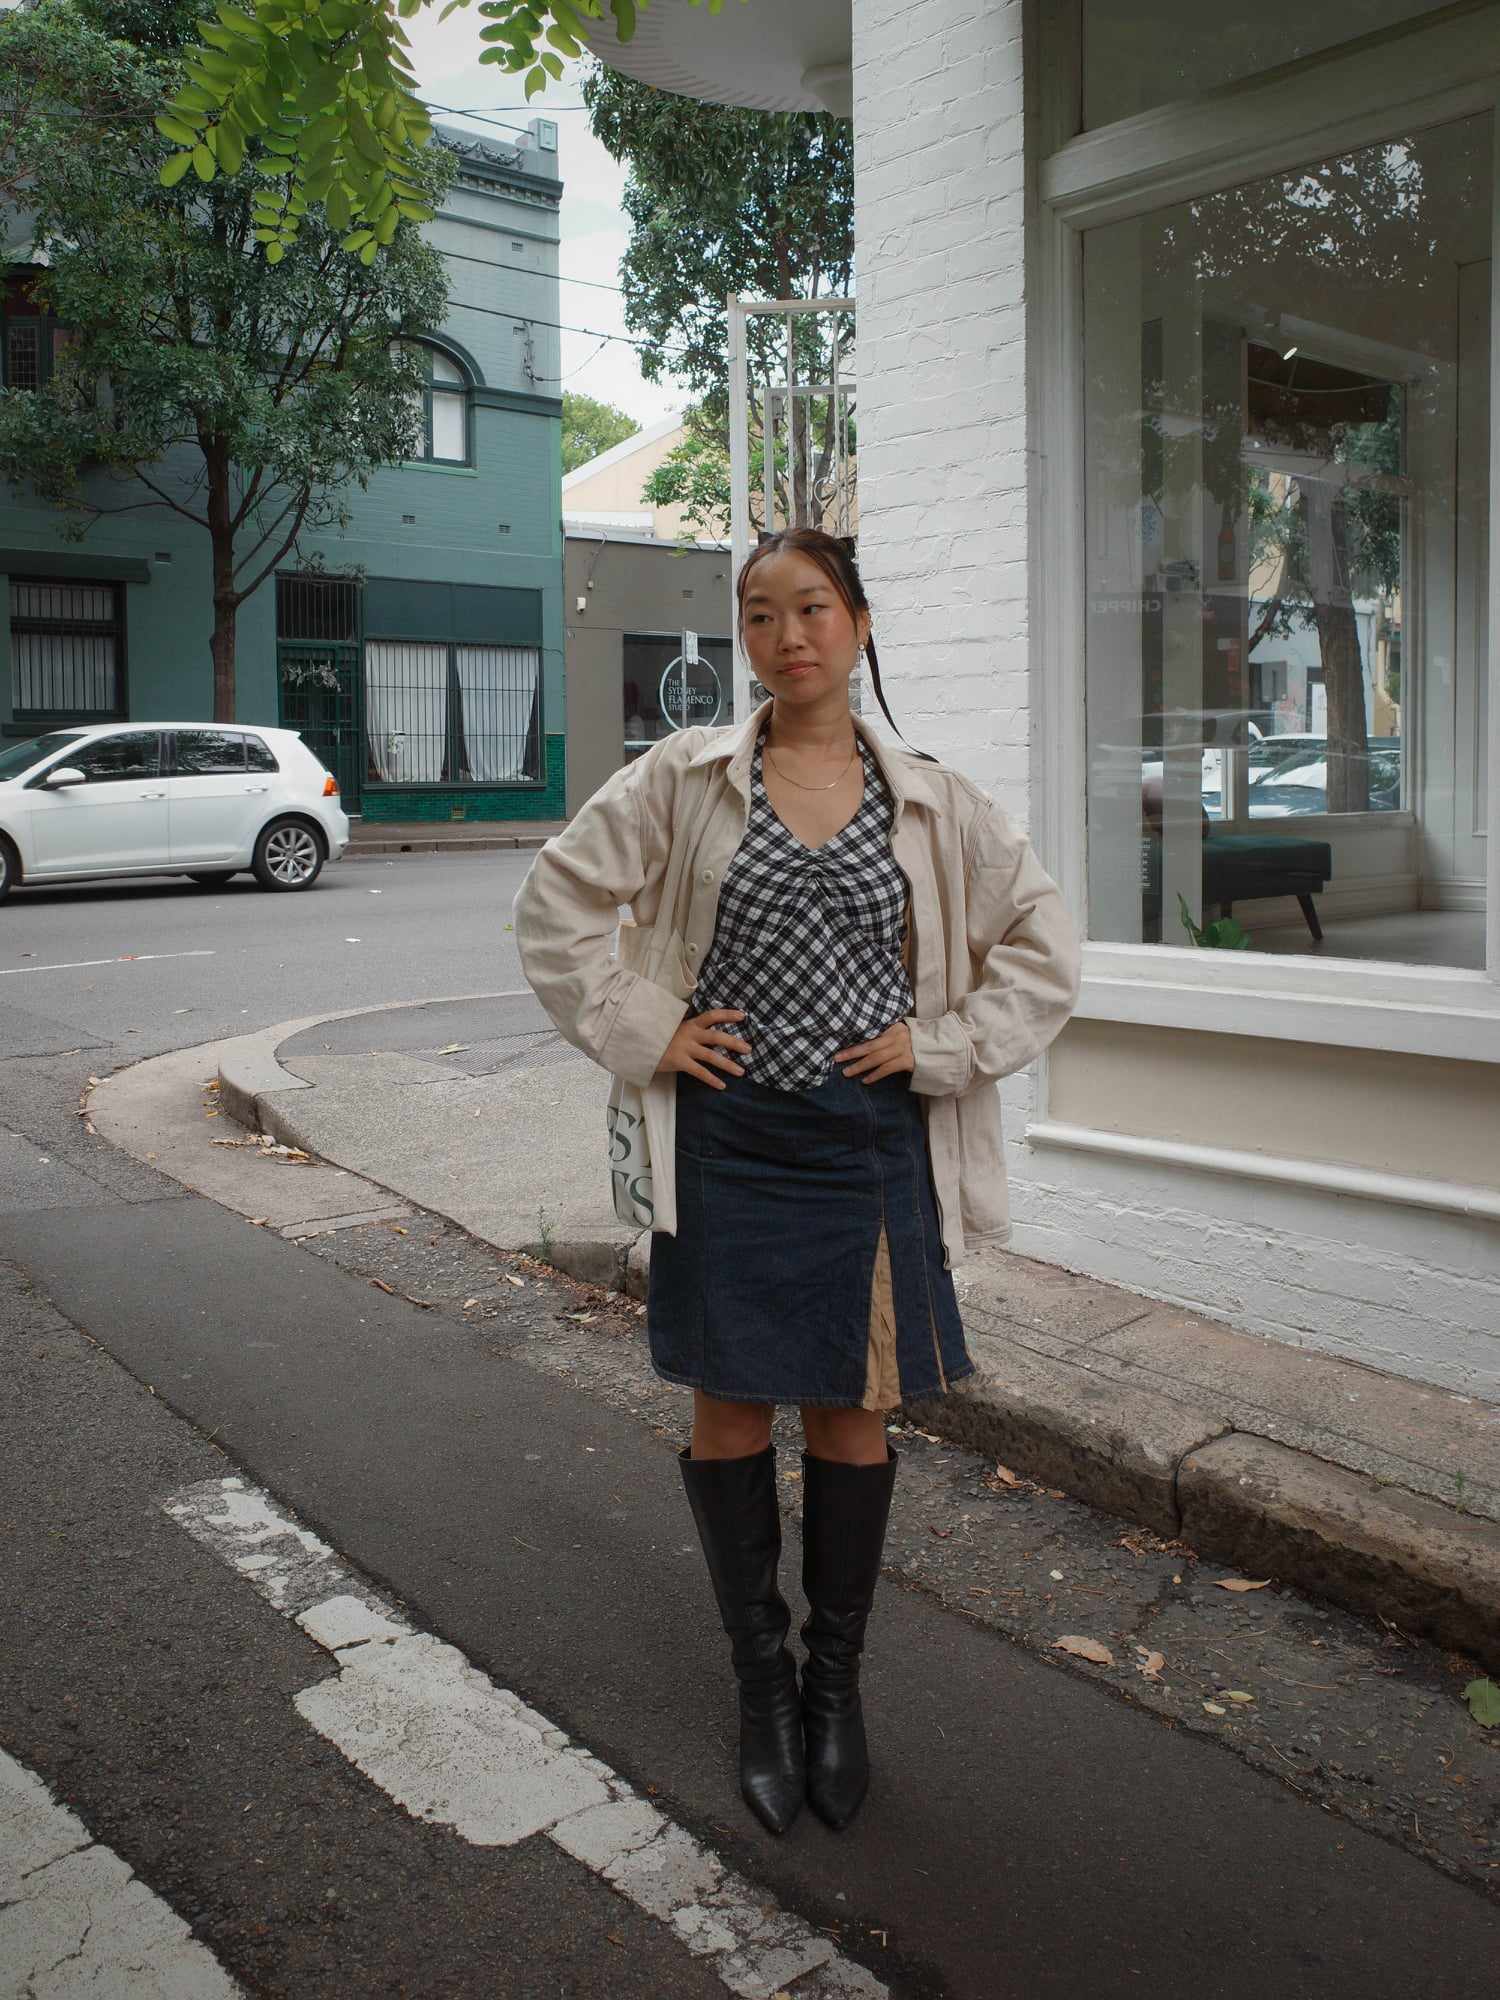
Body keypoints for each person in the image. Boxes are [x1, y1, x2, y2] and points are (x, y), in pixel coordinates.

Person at [514, 529, 1079, 1836]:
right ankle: (761, 1686)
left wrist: (943, 1047)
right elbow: (556, 908)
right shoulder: (684, 780)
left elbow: (1046, 953)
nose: (789, 637)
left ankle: (837, 1690)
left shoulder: (935, 798)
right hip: (731, 1148)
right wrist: (646, 1027)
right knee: (729, 1419)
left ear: (862, 623)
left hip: (870, 1153)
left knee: (849, 1421)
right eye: (760, 616)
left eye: (813, 609)